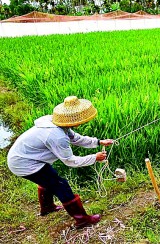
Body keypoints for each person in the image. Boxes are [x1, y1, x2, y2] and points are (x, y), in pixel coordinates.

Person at [7, 96, 113, 228]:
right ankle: (83, 220)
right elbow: (70, 161)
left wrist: (98, 142)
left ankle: (47, 208)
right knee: (60, 185)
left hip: (23, 157)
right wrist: (94, 158)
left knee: (49, 180)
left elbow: (75, 138)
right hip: (24, 163)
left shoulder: (57, 123)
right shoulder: (56, 136)